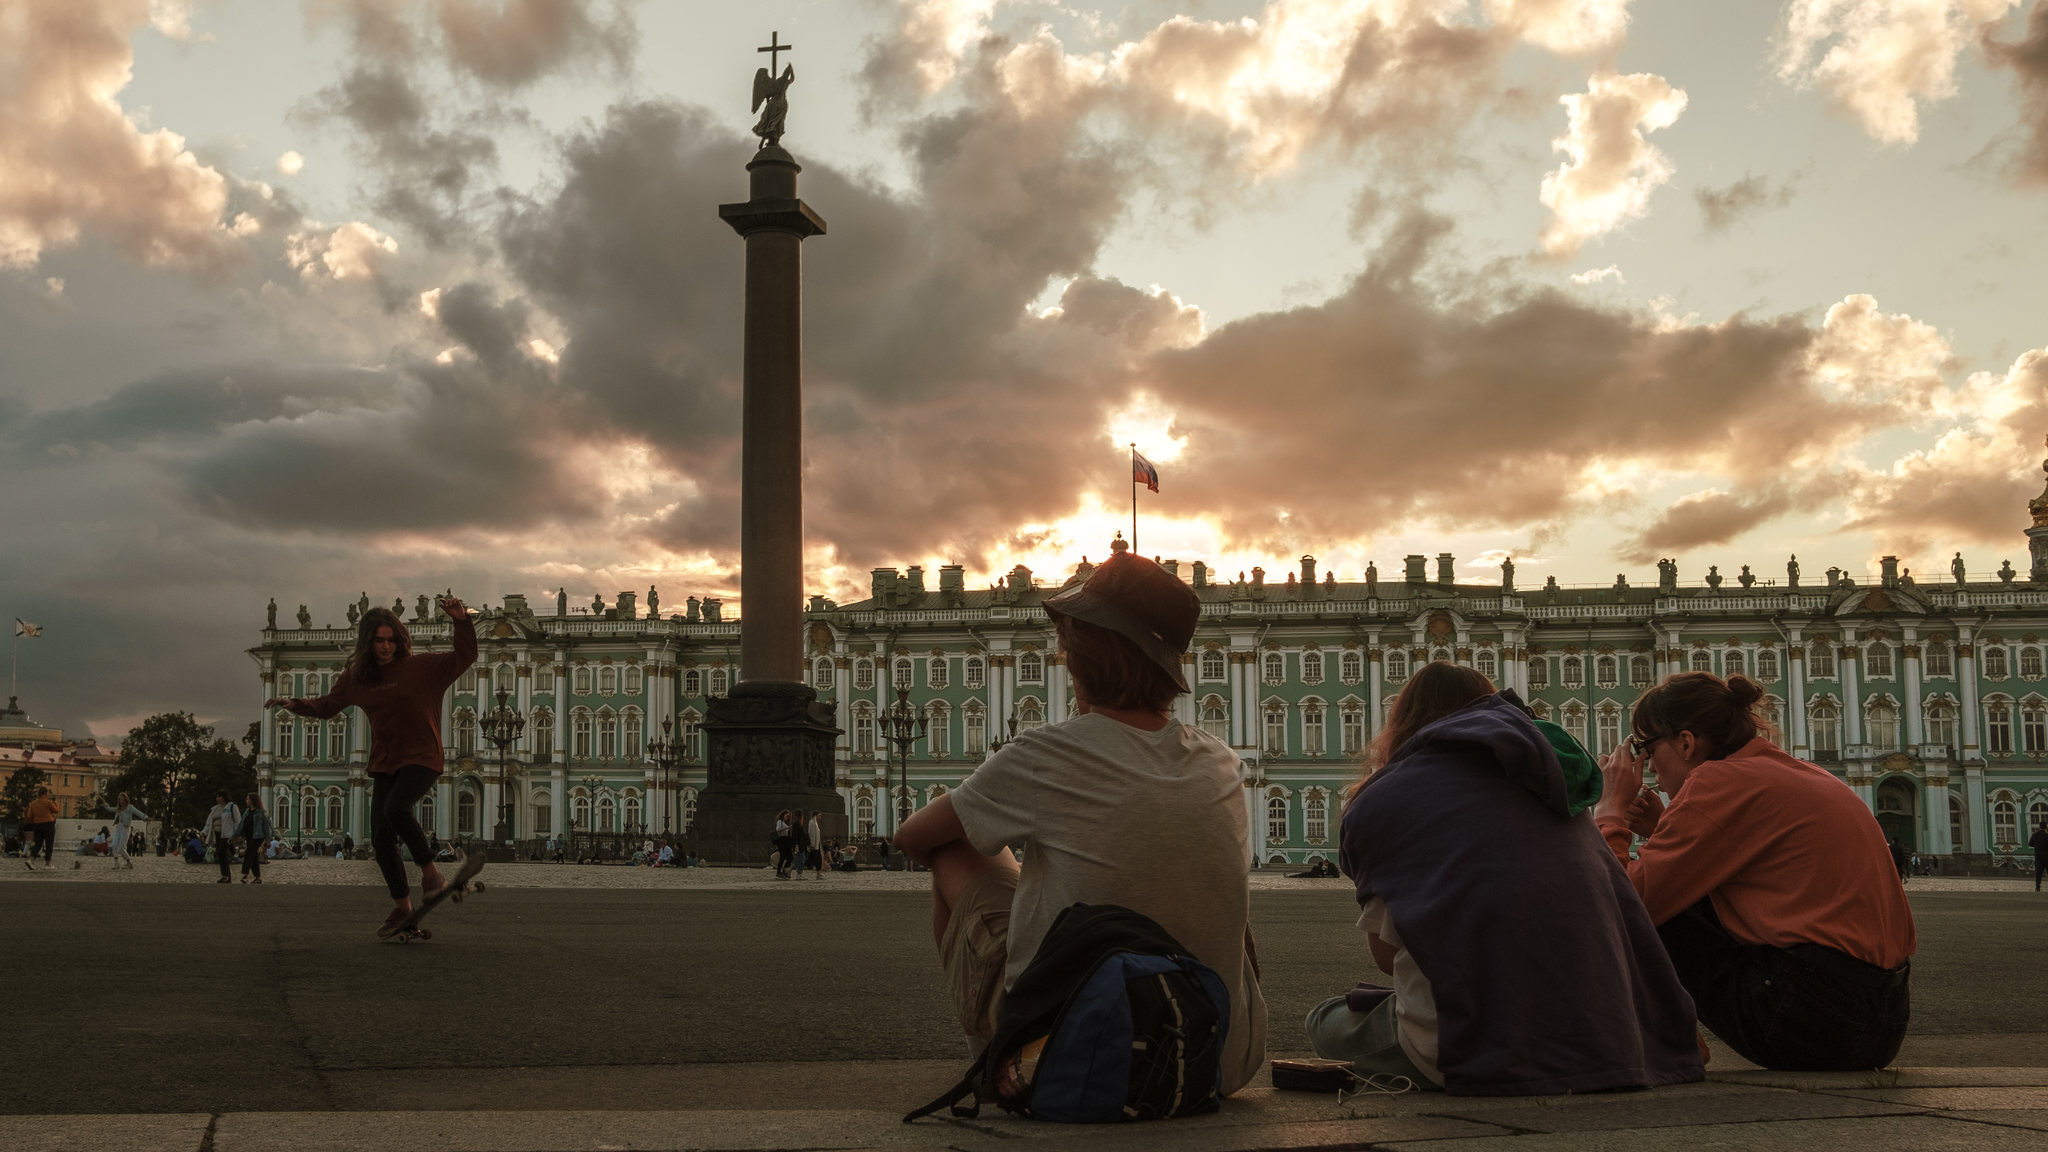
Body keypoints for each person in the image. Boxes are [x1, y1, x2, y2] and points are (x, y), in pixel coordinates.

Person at [892, 549, 1269, 1093]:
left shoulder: (1047, 753)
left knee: (958, 848)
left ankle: (999, 1059)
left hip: (1080, 1053)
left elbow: (912, 838)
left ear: (1080, 657)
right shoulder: (1222, 761)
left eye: (1068, 643)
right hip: (1216, 1059)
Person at [1317, 662, 1701, 1095]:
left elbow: (1388, 958)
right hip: (1609, 1043)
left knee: (1328, 1020)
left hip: (1475, 1049)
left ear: (1401, 724)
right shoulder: (1560, 783)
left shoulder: (1385, 798)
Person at [1596, 672, 1915, 1071]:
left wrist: (1609, 811)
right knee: (1677, 895)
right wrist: (1665, 829)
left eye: (1645, 749)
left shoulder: (1719, 782)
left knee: (1636, 915)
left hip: (1807, 1018)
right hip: (1881, 1021)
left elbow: (1612, 901)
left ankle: (1656, 1046)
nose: (1647, 768)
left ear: (1685, 742)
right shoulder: (1798, 772)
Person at [272, 597, 476, 936]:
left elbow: (465, 656)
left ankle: (431, 874)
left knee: (396, 808)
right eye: (378, 640)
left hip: (423, 756)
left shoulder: (422, 668)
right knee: (381, 837)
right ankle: (403, 909)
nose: (385, 646)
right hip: (385, 761)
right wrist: (295, 703)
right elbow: (327, 706)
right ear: (368, 642)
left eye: (391, 639)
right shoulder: (358, 678)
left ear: (400, 640)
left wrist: (461, 621)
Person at [202, 791, 242, 884]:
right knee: (222, 854)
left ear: (224, 797)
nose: (217, 799)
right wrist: (204, 833)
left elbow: (237, 821)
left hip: (227, 834)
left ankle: (226, 874)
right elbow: (209, 822)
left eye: (218, 797)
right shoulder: (215, 809)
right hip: (217, 834)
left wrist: (237, 834)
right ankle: (226, 876)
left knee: (220, 852)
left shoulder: (232, 807)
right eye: (216, 797)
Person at [235, 793, 273, 884]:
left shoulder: (261, 812)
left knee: (248, 854)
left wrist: (268, 840)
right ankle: (258, 877)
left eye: (248, 799)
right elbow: (241, 825)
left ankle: (245, 875)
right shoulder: (247, 812)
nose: (246, 801)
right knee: (253, 857)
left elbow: (266, 827)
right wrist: (235, 835)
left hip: (258, 836)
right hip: (249, 836)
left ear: (253, 801)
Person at [106, 792, 148, 871]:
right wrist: (104, 804)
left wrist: (145, 817)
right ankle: (116, 863)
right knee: (114, 845)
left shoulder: (130, 807)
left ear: (126, 800)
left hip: (125, 828)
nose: (121, 801)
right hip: (118, 827)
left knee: (121, 848)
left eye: (123, 800)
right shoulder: (118, 809)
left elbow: (138, 813)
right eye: (120, 800)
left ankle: (129, 863)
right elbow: (110, 809)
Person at [22, 786, 59, 870]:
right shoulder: (48, 802)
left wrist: (35, 821)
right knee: (49, 843)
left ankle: (31, 860)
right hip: (48, 824)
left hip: (37, 825)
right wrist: (56, 804)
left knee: (38, 843)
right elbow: (56, 811)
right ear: (46, 793)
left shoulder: (33, 803)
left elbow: (29, 816)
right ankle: (47, 863)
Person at [772, 809, 794, 879]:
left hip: (786, 840)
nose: (787, 817)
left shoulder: (785, 823)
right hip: (782, 841)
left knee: (790, 857)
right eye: (786, 816)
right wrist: (787, 828)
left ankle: (784, 870)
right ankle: (778, 872)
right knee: (782, 857)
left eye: (788, 817)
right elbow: (778, 829)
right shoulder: (780, 822)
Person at [2030, 821, 2048, 892]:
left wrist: (2037, 846)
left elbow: (2030, 844)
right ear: (2046, 827)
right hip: (2047, 856)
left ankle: (2038, 886)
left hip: (2038, 856)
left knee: (2038, 873)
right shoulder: (2047, 836)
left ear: (2039, 826)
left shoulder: (2034, 835)